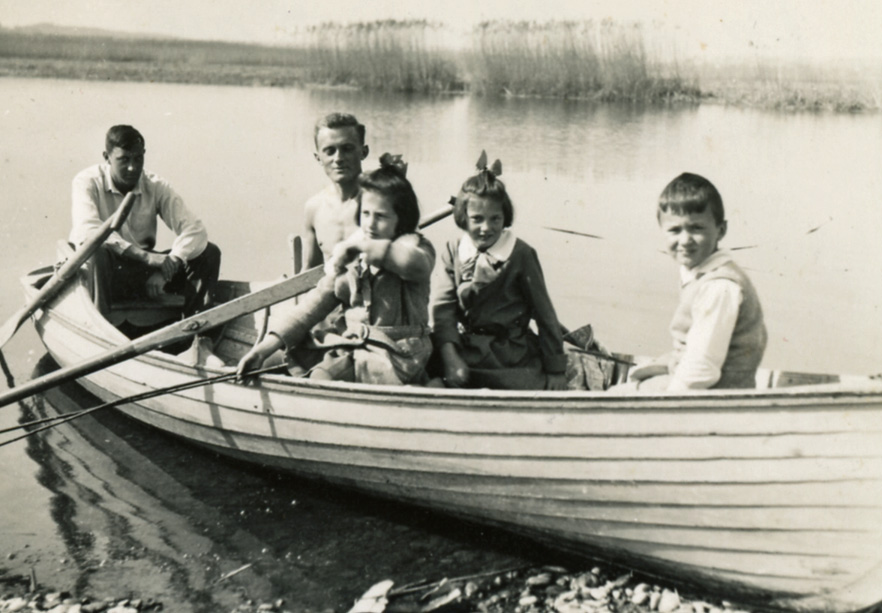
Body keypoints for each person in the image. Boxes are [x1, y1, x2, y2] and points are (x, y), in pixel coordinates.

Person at [237, 154, 435, 385]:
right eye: (365, 214)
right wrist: (262, 350)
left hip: (401, 356)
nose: (370, 224)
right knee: (310, 367)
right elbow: (309, 310)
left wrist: (361, 245)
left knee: (326, 376)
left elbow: (414, 264)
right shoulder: (353, 260)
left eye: (380, 216)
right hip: (355, 349)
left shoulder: (414, 248)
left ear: (401, 219)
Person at [431, 152, 567, 390]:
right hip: (463, 349)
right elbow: (443, 312)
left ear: (505, 218)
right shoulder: (453, 250)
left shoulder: (521, 254)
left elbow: (545, 315)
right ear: (463, 218)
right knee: (429, 378)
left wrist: (556, 369)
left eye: (495, 219)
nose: (486, 228)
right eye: (477, 219)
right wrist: (451, 359)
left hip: (509, 355)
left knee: (524, 387)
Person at [626, 172, 767, 391]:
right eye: (674, 230)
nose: (685, 240)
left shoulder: (719, 286)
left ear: (721, 230)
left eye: (696, 228)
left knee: (619, 394)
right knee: (637, 376)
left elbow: (702, 369)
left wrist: (663, 406)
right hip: (707, 387)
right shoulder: (701, 273)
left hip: (716, 398)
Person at [70, 124, 221, 321]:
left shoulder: (156, 185)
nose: (132, 167)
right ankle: (102, 326)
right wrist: (145, 257)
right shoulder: (87, 181)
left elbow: (195, 229)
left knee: (209, 253)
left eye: (138, 158)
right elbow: (88, 231)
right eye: (123, 160)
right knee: (96, 251)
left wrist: (171, 264)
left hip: (142, 270)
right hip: (104, 271)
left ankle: (195, 327)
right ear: (106, 157)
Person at [303, 112, 370, 269]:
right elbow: (308, 274)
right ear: (318, 157)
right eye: (330, 151)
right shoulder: (314, 207)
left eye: (347, 149)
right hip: (330, 290)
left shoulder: (382, 200)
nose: (338, 158)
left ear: (364, 152)